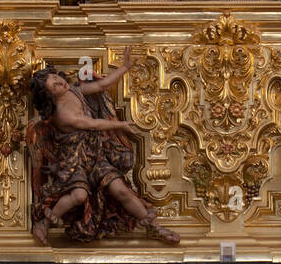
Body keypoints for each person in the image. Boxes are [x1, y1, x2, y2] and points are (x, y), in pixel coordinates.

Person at [27, 57, 180, 244]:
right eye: (55, 86)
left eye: (57, 78)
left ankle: (153, 227)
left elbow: (102, 85)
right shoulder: (64, 115)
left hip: (94, 154)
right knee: (79, 195)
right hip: (74, 161)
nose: (61, 82)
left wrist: (124, 67)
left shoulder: (74, 91)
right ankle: (44, 223)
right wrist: (121, 124)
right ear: (49, 96)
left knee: (120, 189)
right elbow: (93, 124)